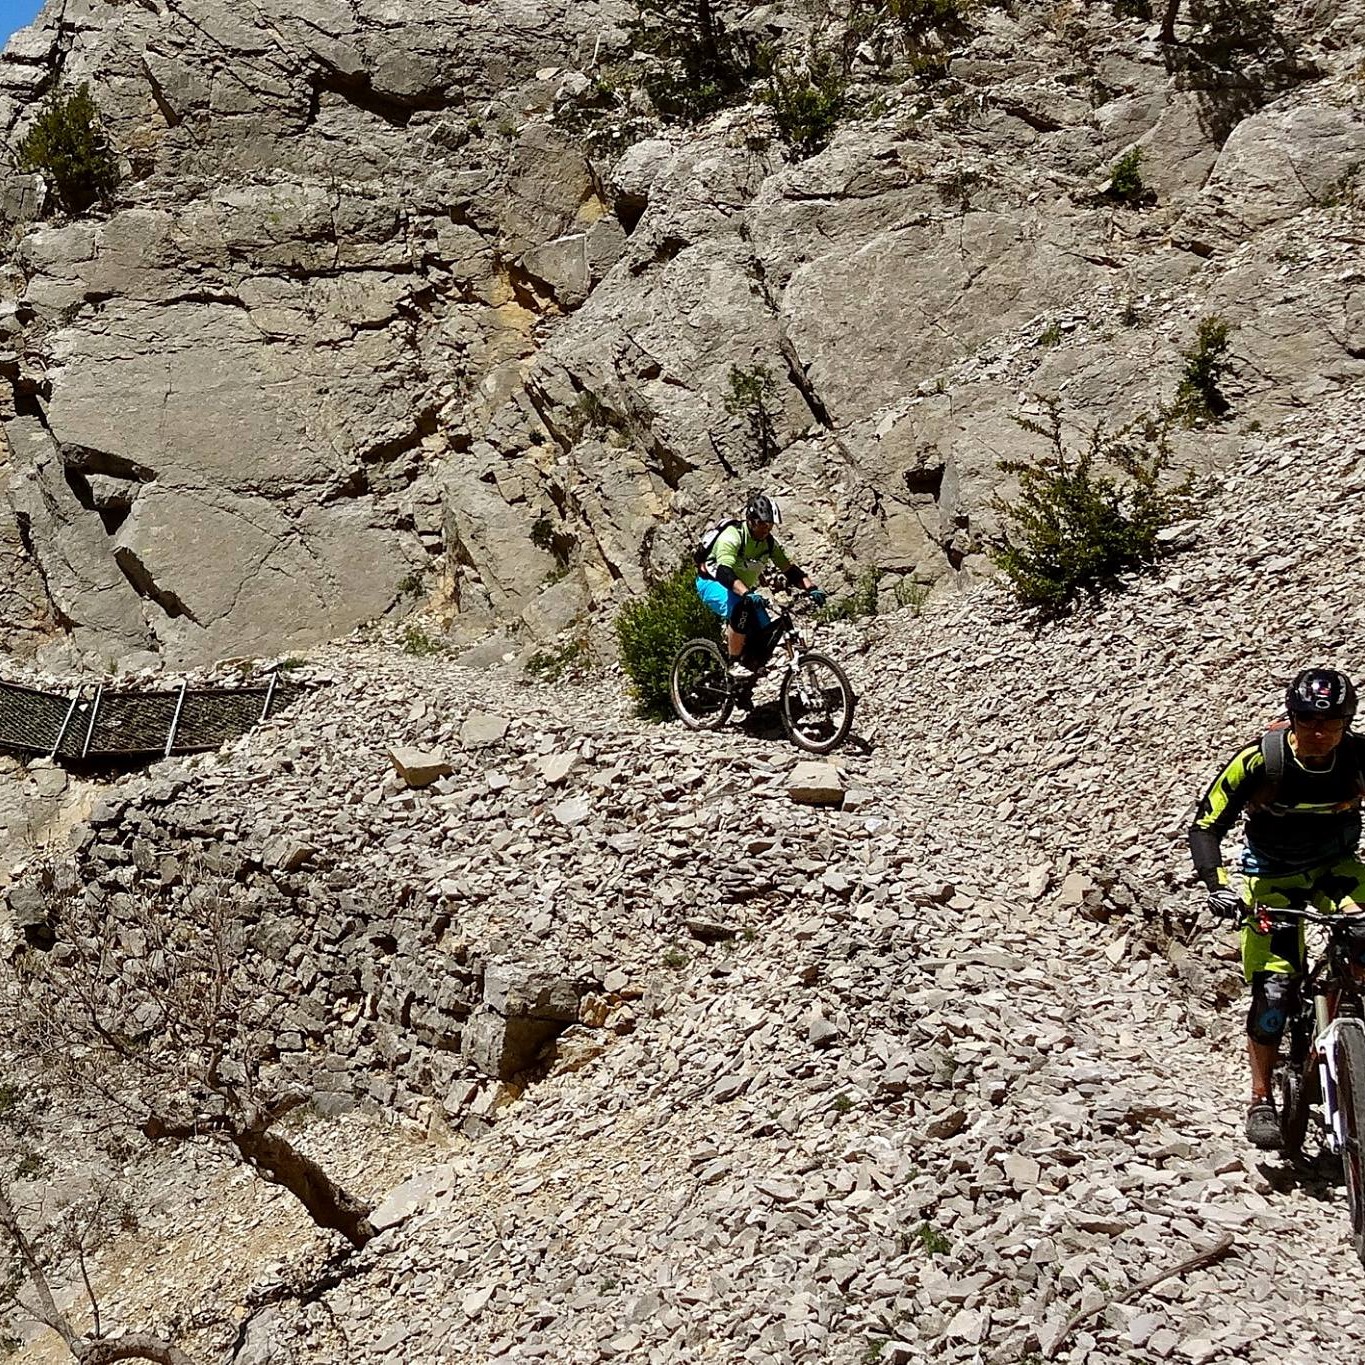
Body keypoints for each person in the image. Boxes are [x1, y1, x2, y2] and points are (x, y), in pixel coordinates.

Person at [1189, 667, 1365, 1149]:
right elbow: (1206, 825)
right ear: (1291, 716)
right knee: (1274, 996)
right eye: (1307, 720)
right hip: (1273, 877)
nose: (1318, 732)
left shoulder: (1357, 758)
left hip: (1339, 869)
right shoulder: (1259, 762)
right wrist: (1218, 885)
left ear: (1347, 721)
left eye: (1331, 722)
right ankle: (1261, 1098)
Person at [695, 492, 826, 681]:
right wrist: (746, 592)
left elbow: (790, 570)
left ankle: (747, 677)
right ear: (750, 520)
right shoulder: (733, 537)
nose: (766, 529)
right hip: (713, 582)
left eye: (770, 525)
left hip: (740, 587)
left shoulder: (769, 543)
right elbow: (724, 571)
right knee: (741, 609)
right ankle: (734, 665)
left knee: (765, 634)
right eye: (762, 524)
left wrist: (811, 588)